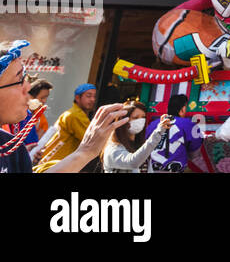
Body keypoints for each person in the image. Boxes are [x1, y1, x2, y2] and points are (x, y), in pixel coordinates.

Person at [1, 41, 127, 175]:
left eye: (26, 78)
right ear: (78, 98)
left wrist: (86, 152)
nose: (27, 87)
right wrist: (87, 150)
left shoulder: (13, 148)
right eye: (20, 79)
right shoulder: (73, 115)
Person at [34, 81, 98, 172]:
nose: (92, 99)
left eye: (94, 96)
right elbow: (93, 141)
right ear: (77, 98)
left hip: (51, 162)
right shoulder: (75, 115)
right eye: (88, 96)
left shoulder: (74, 113)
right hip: (54, 164)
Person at [102, 100, 170, 173]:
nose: (140, 121)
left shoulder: (140, 146)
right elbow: (133, 162)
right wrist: (158, 133)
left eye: (143, 117)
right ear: (123, 120)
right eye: (135, 117)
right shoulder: (113, 149)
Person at [146, 94, 204, 172]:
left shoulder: (153, 124)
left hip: (152, 169)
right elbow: (195, 151)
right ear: (183, 109)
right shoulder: (188, 124)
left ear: (167, 109)